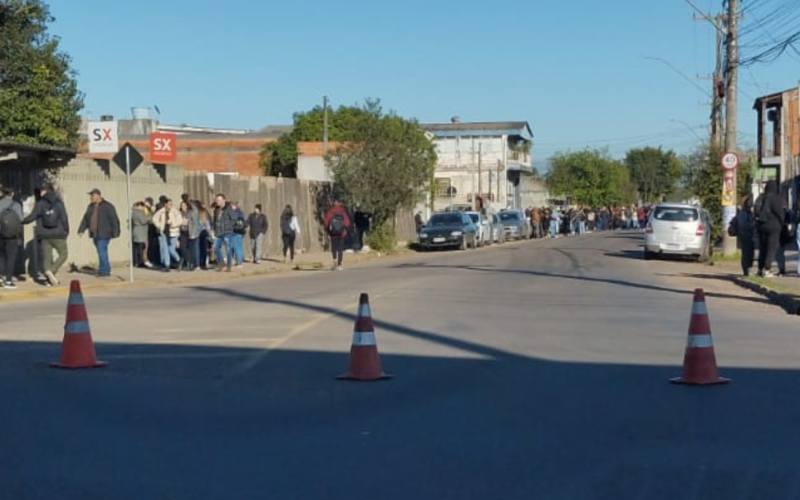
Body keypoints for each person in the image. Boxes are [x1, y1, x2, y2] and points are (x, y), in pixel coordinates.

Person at [22, 184, 70, 287]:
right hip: (58, 234)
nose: (40, 193)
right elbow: (64, 218)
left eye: (41, 190)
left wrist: (21, 221)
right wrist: (66, 231)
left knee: (46, 257)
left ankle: (49, 275)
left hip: (44, 235)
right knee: (63, 254)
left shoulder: (40, 203)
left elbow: (32, 216)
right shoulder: (59, 202)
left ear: (45, 191)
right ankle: (52, 271)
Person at [77, 189, 120, 277]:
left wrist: (116, 232)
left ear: (98, 196)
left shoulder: (108, 206)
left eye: (92, 196)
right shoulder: (90, 207)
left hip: (104, 233)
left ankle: (104, 271)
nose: (91, 198)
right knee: (101, 251)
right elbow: (86, 219)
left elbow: (114, 219)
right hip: (94, 233)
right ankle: (105, 269)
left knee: (102, 251)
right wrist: (81, 230)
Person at [754, 180, 785, 278]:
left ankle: (760, 269)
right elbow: (780, 213)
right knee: (771, 248)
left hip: (761, 225)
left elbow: (756, 211)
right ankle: (767, 269)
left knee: (763, 248)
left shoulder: (760, 198)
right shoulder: (776, 198)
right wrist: (782, 223)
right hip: (774, 226)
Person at [0, 188, 23, 289]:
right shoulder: (16, 205)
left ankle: (1, 276)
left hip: (0, 233)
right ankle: (8, 280)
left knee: (1, 256)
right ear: (12, 193)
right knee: (11, 257)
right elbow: (21, 219)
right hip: (12, 235)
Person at [152, 198, 182, 272]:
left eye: (171, 204)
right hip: (164, 232)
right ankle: (167, 265)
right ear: (165, 204)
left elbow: (180, 221)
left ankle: (178, 259)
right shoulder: (161, 211)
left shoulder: (175, 211)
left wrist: (172, 223)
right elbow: (154, 218)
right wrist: (159, 225)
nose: (170, 206)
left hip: (173, 232)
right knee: (165, 249)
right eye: (169, 204)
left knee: (171, 249)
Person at [731, 195, 755, 276]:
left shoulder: (746, 213)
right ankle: (746, 271)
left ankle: (747, 270)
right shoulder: (744, 214)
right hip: (745, 235)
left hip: (746, 235)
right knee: (747, 253)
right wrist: (753, 225)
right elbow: (744, 225)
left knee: (748, 253)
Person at [324, 199, 351, 270]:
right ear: (340, 204)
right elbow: (347, 223)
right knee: (340, 249)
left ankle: (334, 260)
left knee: (334, 248)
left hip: (333, 233)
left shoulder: (329, 212)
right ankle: (339, 264)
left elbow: (326, 224)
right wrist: (344, 229)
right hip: (342, 233)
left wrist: (328, 232)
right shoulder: (343, 212)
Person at [212, 194, 235, 272]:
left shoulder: (229, 208)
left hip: (227, 231)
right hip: (218, 232)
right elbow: (214, 220)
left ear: (223, 200)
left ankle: (229, 266)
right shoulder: (216, 209)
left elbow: (234, 219)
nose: (217, 202)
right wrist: (213, 229)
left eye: (219, 200)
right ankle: (221, 262)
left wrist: (229, 227)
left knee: (228, 249)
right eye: (217, 200)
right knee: (215, 247)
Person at [131, 202, 153, 269]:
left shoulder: (133, 212)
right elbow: (143, 221)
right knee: (141, 248)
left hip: (136, 230)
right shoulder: (140, 213)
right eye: (142, 206)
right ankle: (140, 262)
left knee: (136, 248)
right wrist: (149, 217)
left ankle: (136, 262)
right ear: (139, 206)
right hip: (141, 232)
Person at [230, 201, 247, 267]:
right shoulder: (241, 213)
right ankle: (240, 261)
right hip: (240, 232)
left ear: (234, 206)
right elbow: (244, 223)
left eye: (231, 206)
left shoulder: (234, 213)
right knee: (239, 247)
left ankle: (239, 262)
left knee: (236, 247)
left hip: (234, 232)